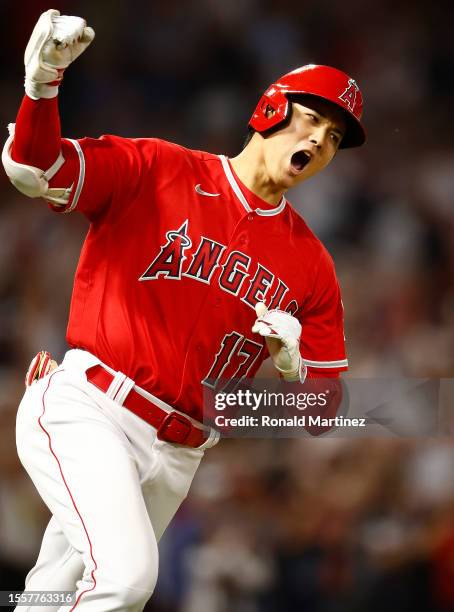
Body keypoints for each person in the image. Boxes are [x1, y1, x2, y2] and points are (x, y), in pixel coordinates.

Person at [2, 8, 366, 612]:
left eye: (332, 140)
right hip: (93, 408)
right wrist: (42, 87)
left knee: (49, 596)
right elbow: (38, 169)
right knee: (127, 580)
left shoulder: (314, 266)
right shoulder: (160, 169)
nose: (318, 142)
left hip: (180, 454)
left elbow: (324, 409)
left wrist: (292, 367)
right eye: (311, 121)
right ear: (271, 110)